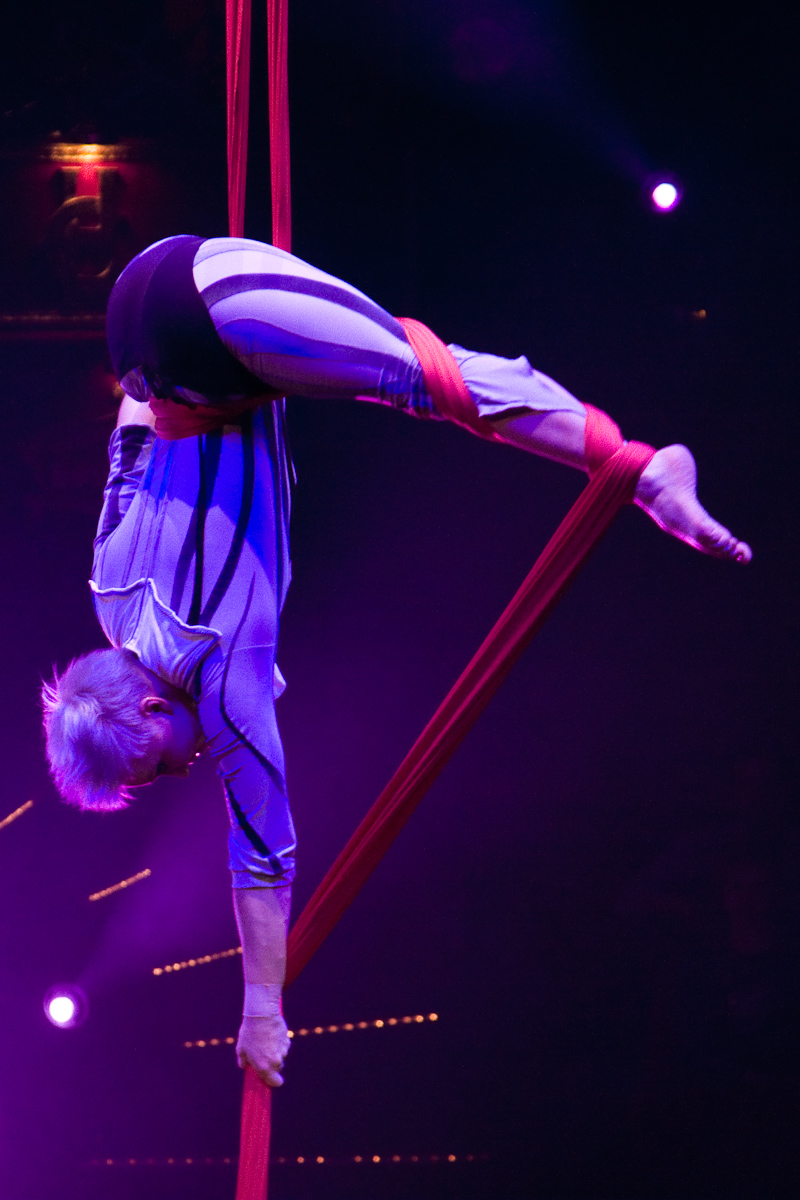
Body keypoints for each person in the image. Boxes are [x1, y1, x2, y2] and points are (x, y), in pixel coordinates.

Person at [41, 234, 751, 1089]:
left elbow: (261, 853)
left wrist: (261, 1010)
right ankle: (634, 471)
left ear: (153, 709)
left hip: (213, 333)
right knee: (405, 373)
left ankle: (642, 471)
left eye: (158, 764)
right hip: (145, 320)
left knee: (423, 376)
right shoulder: (108, 598)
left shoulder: (218, 674)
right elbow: (126, 455)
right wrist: (146, 384)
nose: (181, 770)